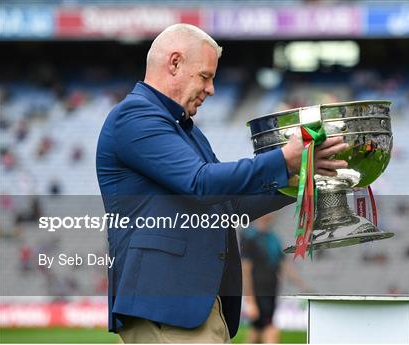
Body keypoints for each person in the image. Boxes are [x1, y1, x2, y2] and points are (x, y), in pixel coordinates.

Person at [96, 24, 348, 343]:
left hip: (192, 304)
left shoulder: (183, 129)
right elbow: (200, 183)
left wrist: (300, 179)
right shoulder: (134, 117)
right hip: (167, 305)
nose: (212, 89)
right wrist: (284, 158)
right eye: (205, 76)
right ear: (174, 63)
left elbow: (229, 205)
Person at [241, 213, 307, 343]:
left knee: (257, 331)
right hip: (258, 292)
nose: (270, 215)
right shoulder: (250, 237)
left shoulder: (273, 238)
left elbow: (283, 264)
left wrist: (302, 285)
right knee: (269, 328)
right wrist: (250, 300)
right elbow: (246, 270)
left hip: (271, 290)